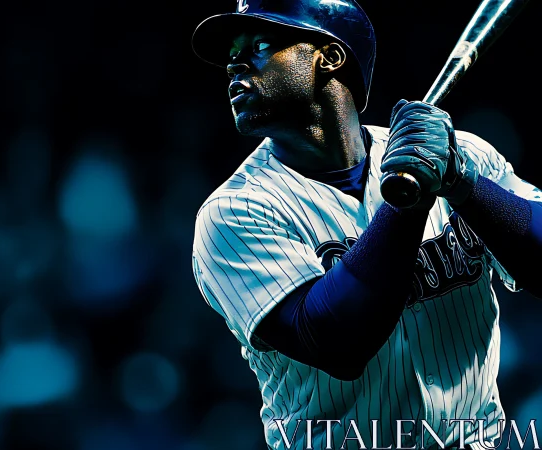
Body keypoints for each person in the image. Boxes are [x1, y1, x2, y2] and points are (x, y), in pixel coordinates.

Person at [189, 1, 542, 449]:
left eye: (259, 45)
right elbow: (336, 341)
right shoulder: (236, 211)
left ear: (329, 57)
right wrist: (409, 197)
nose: (234, 63)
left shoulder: (458, 153)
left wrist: (461, 182)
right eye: (231, 53)